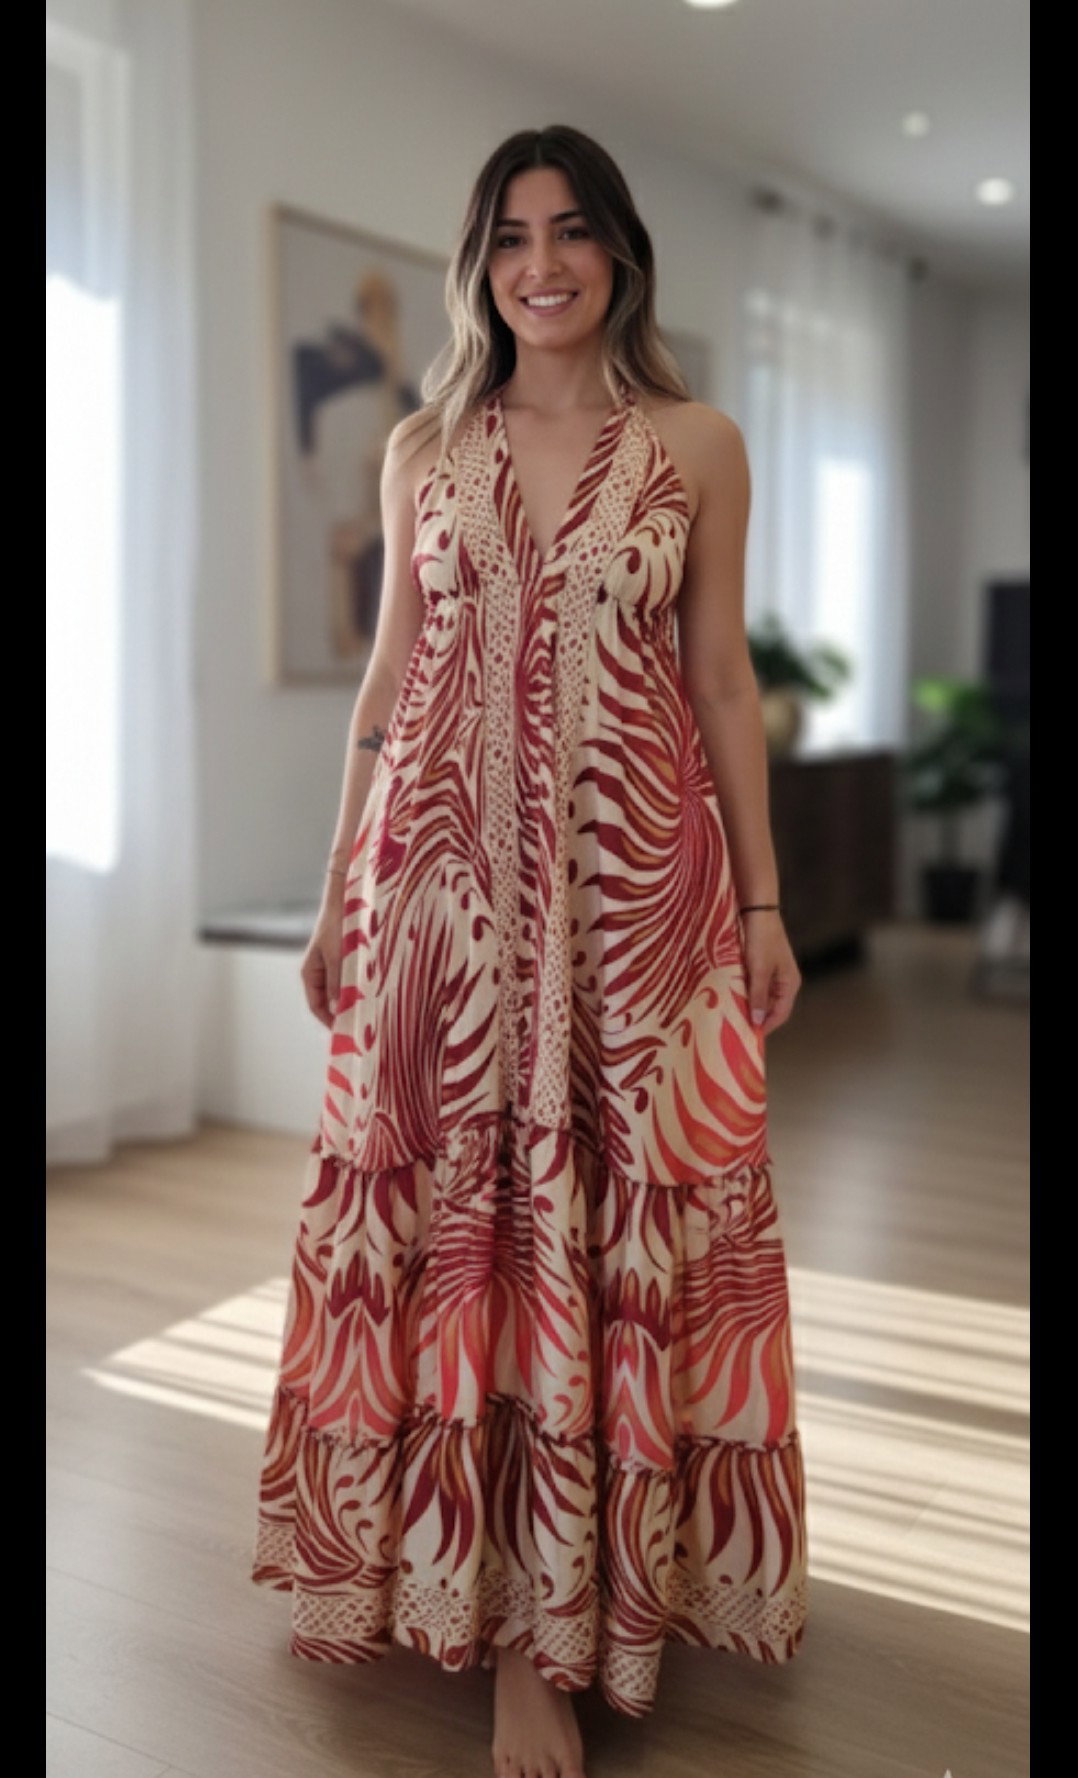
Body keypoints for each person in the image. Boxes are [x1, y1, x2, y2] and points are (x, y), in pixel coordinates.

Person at [252, 124, 808, 1778]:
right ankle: (495, 1624)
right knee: (454, 1238)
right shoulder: (425, 446)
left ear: (619, 252)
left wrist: (764, 903)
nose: (539, 264)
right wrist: (335, 889)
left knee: (621, 1241)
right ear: (477, 263)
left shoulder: (697, 445)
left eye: (569, 232)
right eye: (508, 236)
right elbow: (385, 687)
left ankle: (587, 1606)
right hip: (439, 907)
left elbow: (720, 682)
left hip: (634, 910)